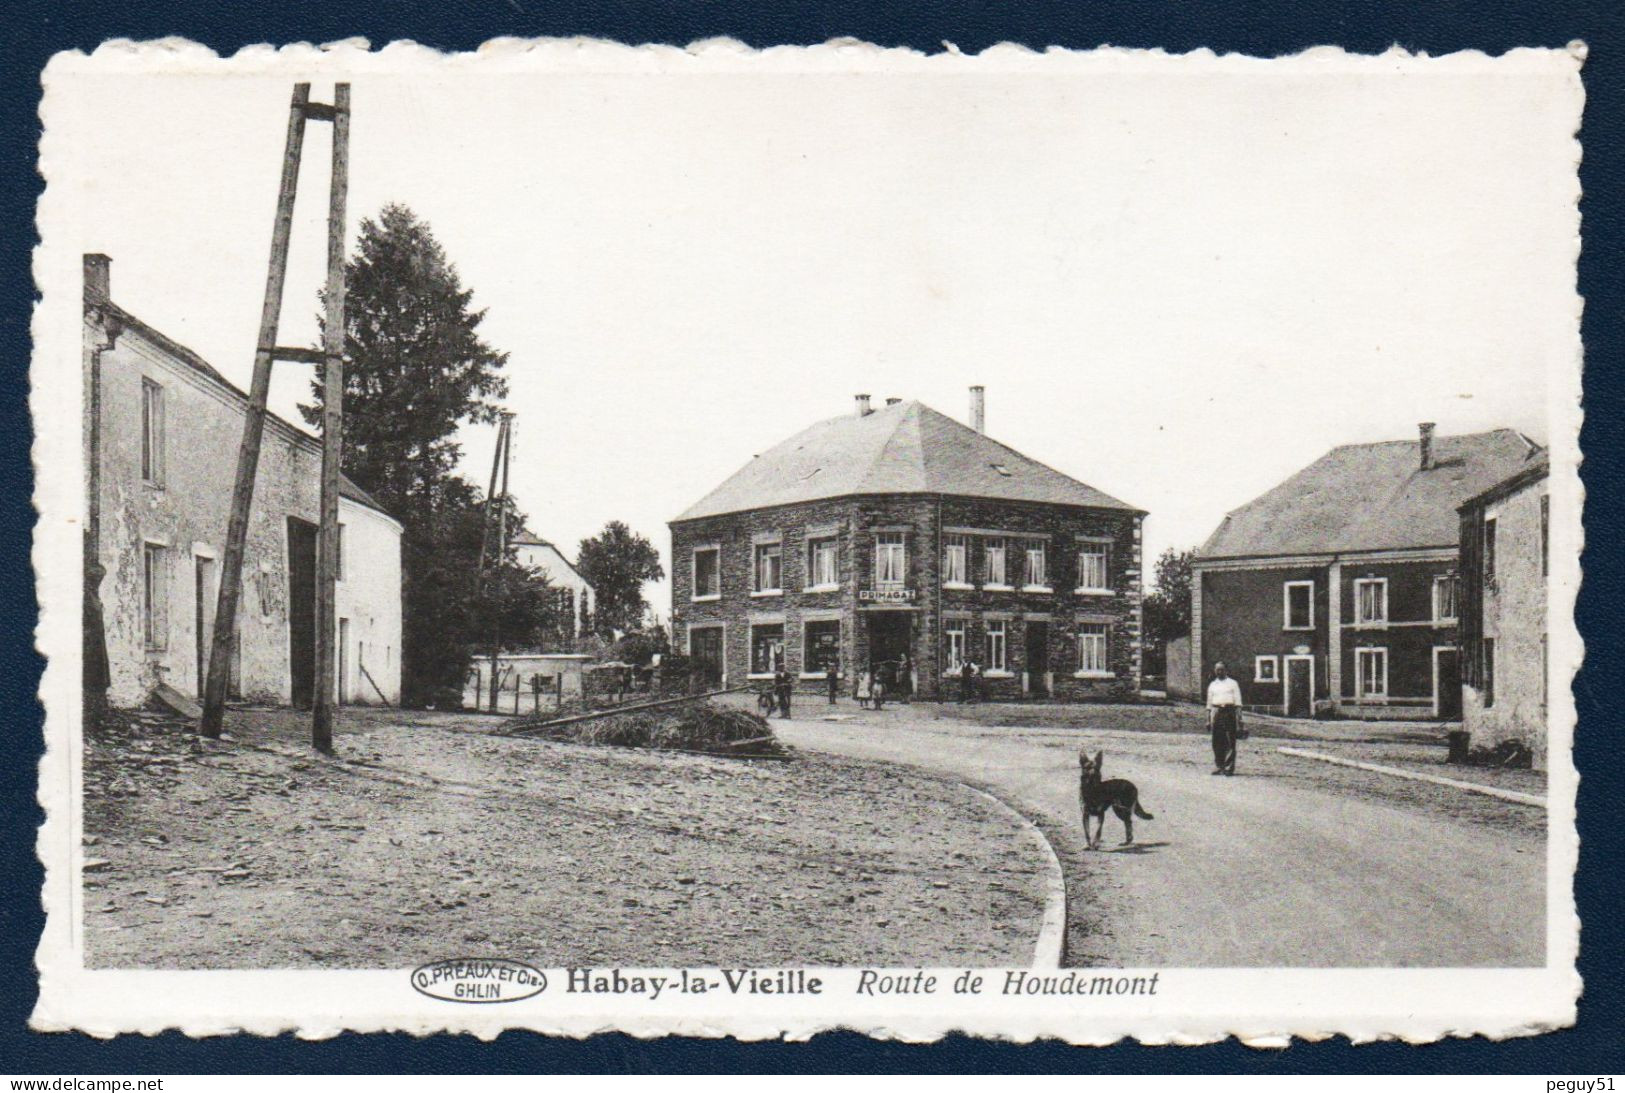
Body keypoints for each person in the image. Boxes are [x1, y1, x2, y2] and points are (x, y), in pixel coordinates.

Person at [1206, 661, 1243, 775]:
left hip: (1229, 711)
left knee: (1230, 739)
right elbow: (1209, 704)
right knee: (1216, 740)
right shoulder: (1213, 685)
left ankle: (1228, 767)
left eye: (1222, 669)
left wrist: (1239, 719)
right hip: (1216, 711)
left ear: (1226, 670)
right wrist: (1208, 720)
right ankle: (1219, 766)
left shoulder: (1233, 683)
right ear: (1214, 671)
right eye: (1217, 669)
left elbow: (1238, 703)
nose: (1219, 672)